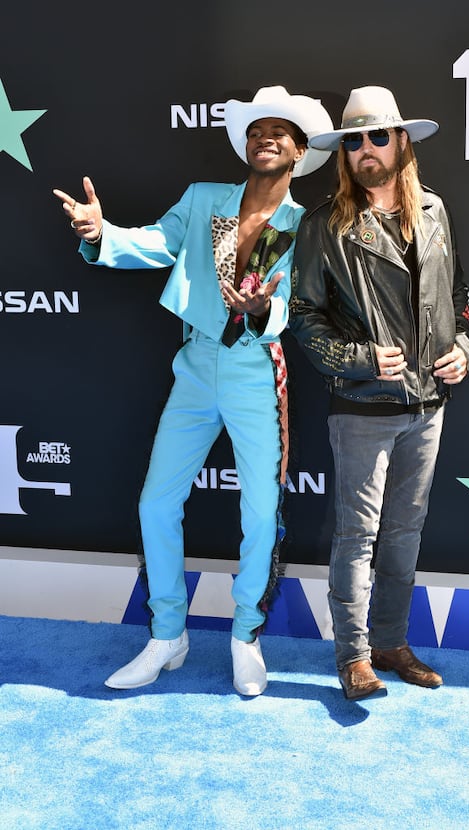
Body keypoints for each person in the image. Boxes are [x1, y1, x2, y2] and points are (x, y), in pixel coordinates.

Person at [53, 86, 332, 696]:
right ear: (247, 142)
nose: (268, 136)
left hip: (256, 368)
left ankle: (245, 637)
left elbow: (303, 304)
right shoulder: (207, 200)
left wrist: (264, 311)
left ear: (301, 152)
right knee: (157, 502)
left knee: (260, 510)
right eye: (259, 128)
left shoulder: (308, 226)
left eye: (282, 131)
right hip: (195, 366)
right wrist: (102, 233)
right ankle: (167, 634)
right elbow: (154, 244)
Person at [289, 86, 469, 701]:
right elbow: (304, 316)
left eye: (377, 136)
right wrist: (362, 359)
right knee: (358, 536)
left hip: (428, 406)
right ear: (343, 153)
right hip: (364, 405)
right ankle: (354, 655)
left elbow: (457, 300)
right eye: (353, 140)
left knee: (405, 533)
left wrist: (463, 351)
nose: (365, 149)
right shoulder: (325, 225)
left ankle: (392, 642)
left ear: (401, 142)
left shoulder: (437, 212)